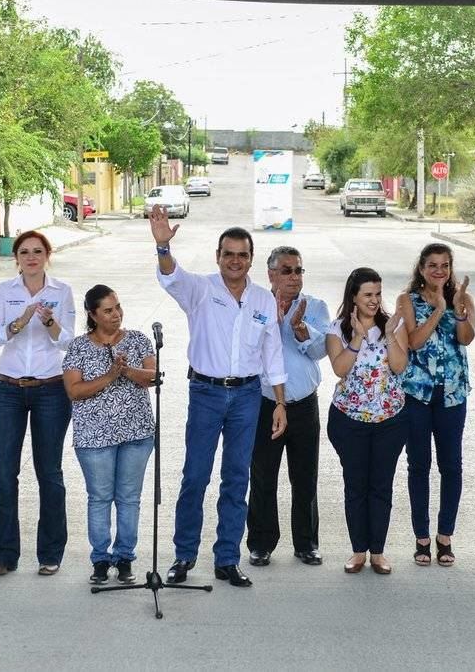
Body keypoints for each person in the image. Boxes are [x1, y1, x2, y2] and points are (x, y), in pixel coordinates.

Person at [150, 205, 286, 588]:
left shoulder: (262, 300)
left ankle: (227, 558)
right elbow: (171, 278)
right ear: (218, 257)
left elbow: (272, 353)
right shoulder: (201, 290)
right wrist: (163, 247)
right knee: (195, 476)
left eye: (243, 255)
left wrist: (278, 403)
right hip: (206, 392)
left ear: (251, 260)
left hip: (246, 397)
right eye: (229, 254)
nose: (235, 261)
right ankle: (184, 556)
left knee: (236, 479)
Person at [0, 230, 76, 577]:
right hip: (7, 389)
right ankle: (4, 554)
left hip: (51, 389)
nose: (31, 257)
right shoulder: (5, 291)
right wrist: (19, 321)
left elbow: (68, 341)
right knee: (4, 473)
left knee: (49, 472)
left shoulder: (61, 291)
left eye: (38, 251)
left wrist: (49, 321)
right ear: (17, 258)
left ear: (47, 255)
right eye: (24, 252)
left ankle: (50, 553)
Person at [63, 285, 157, 585]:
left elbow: (152, 377)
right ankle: (101, 559)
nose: (116, 314)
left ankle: (125, 557)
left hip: (137, 433)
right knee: (100, 497)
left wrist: (126, 370)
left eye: (117, 307)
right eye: (107, 310)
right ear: (93, 314)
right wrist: (110, 376)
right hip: (94, 438)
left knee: (129, 498)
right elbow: (74, 391)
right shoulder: (78, 347)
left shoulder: (139, 340)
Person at [246, 246, 330, 568]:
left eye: (298, 270)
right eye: (287, 270)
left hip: (304, 404)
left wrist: (300, 330)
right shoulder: (254, 305)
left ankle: (306, 543)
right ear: (271, 274)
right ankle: (261, 543)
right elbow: (245, 352)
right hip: (265, 404)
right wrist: (270, 323)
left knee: (305, 476)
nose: (294, 277)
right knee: (263, 476)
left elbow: (323, 351)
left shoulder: (315, 307)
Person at [394, 243, 474, 568]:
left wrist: (459, 311)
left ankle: (445, 537)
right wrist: (440, 310)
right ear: (422, 269)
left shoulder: (462, 298)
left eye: (444, 265)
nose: (439, 271)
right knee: (418, 466)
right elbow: (412, 342)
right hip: (417, 394)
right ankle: (422, 538)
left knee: (451, 466)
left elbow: (466, 339)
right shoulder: (406, 300)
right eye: (432, 265)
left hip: (452, 395)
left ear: (450, 268)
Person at [326, 268, 409, 575]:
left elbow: (399, 367)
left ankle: (378, 552)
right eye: (368, 295)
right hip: (350, 420)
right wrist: (358, 338)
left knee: (381, 485)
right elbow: (339, 368)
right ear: (354, 297)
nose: (374, 301)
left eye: (377, 294)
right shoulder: (337, 330)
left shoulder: (393, 326)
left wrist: (388, 335)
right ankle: (358, 551)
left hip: (389, 419)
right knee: (356, 485)